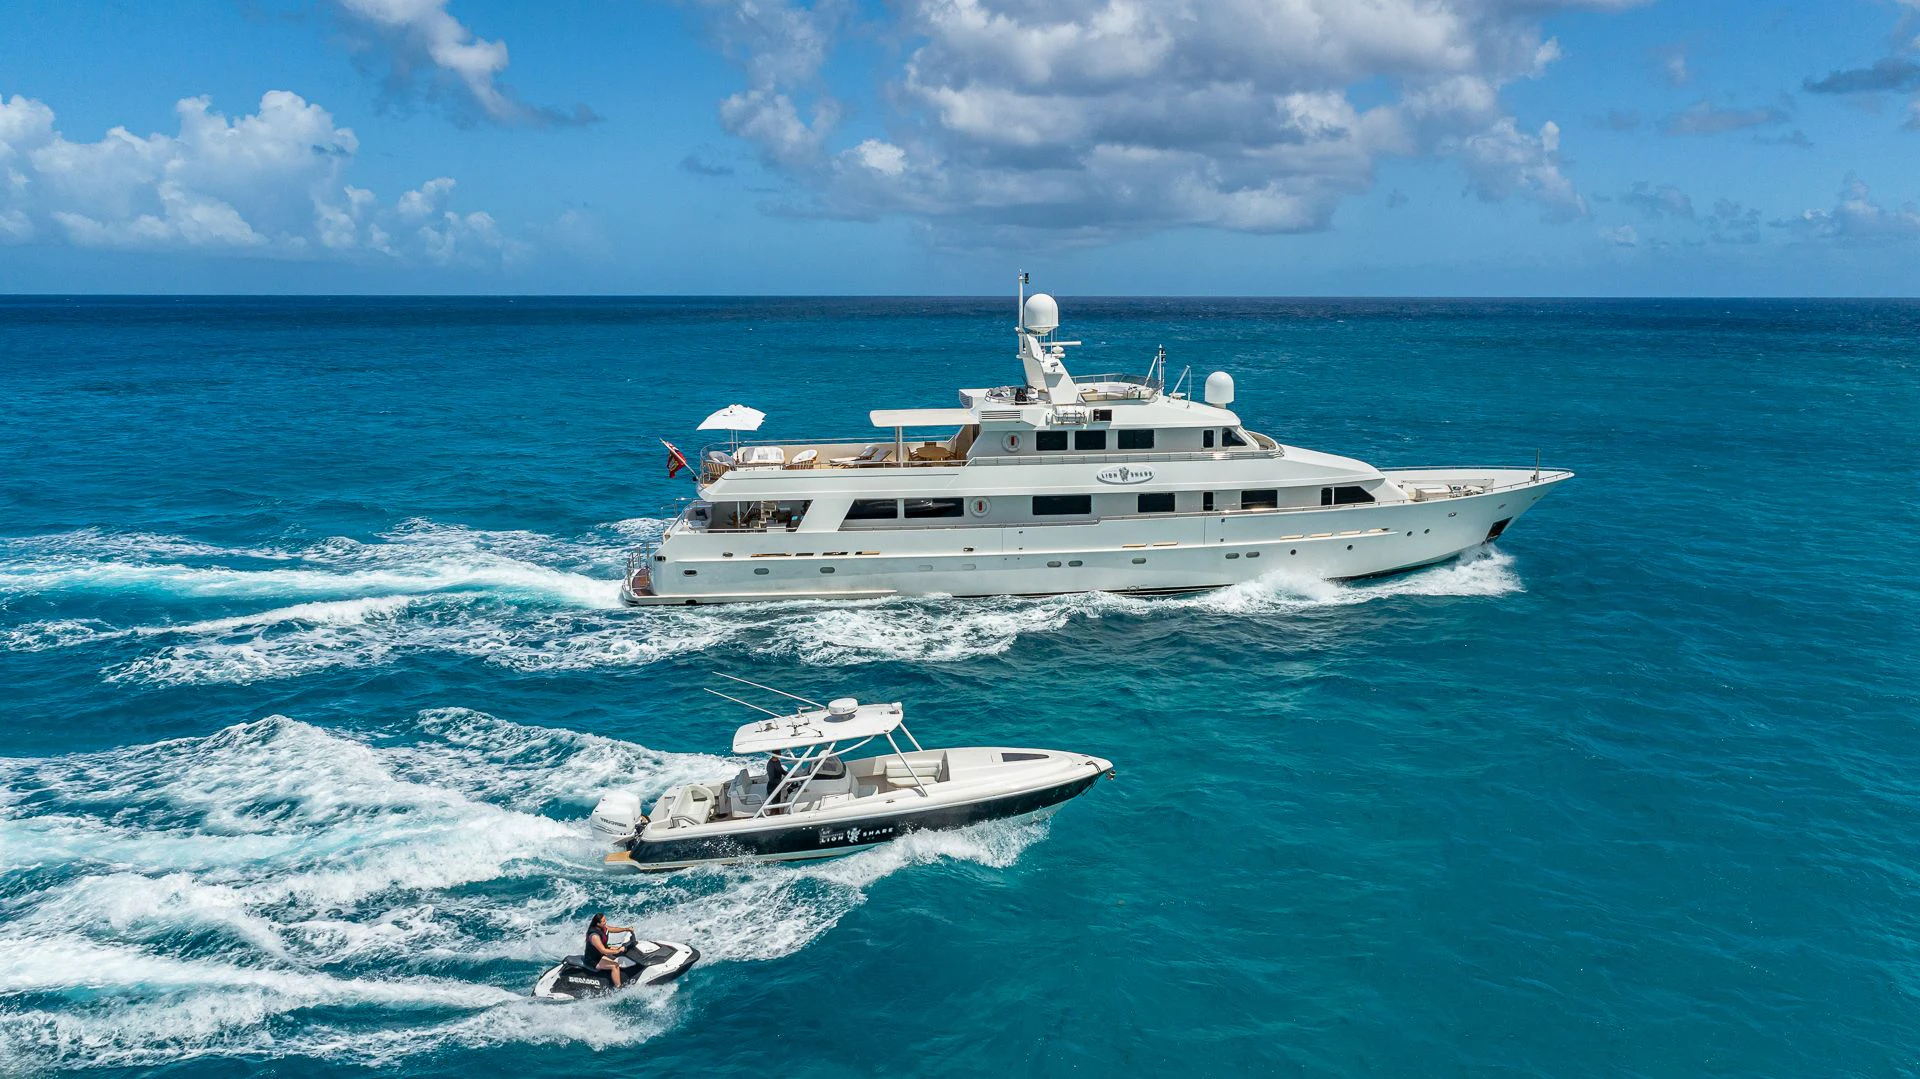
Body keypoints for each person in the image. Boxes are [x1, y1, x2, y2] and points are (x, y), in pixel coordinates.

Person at [585, 912, 633, 988]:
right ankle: (618, 988)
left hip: (600, 954)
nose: (605, 922)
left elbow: (613, 929)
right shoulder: (594, 936)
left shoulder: (603, 927)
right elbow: (603, 950)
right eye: (603, 921)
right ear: (598, 923)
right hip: (594, 960)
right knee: (615, 965)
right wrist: (617, 951)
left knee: (621, 952)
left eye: (605, 919)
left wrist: (626, 929)